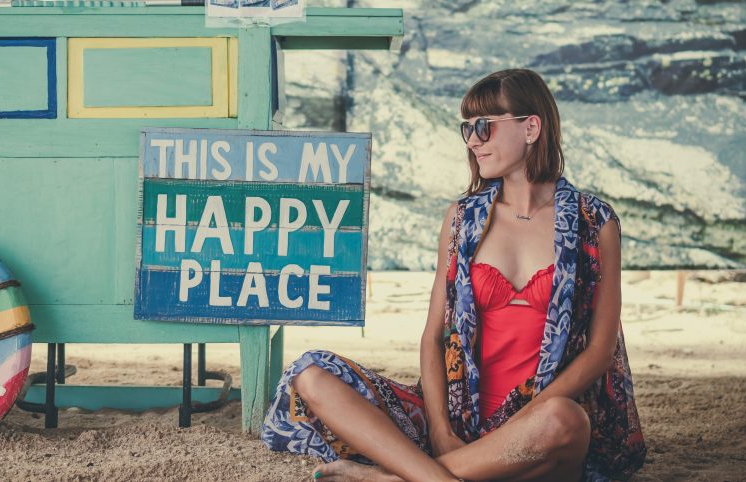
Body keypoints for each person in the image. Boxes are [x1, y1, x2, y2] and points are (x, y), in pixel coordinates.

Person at [262, 68, 646, 481]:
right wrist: (442, 431)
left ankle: (396, 476)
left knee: (566, 419)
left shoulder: (594, 222)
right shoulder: (462, 219)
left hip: (538, 423)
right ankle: (439, 474)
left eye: (485, 126)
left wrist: (523, 424)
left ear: (531, 126)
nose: (473, 140)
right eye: (467, 129)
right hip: (462, 415)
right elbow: (433, 335)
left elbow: (600, 351)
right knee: (311, 374)